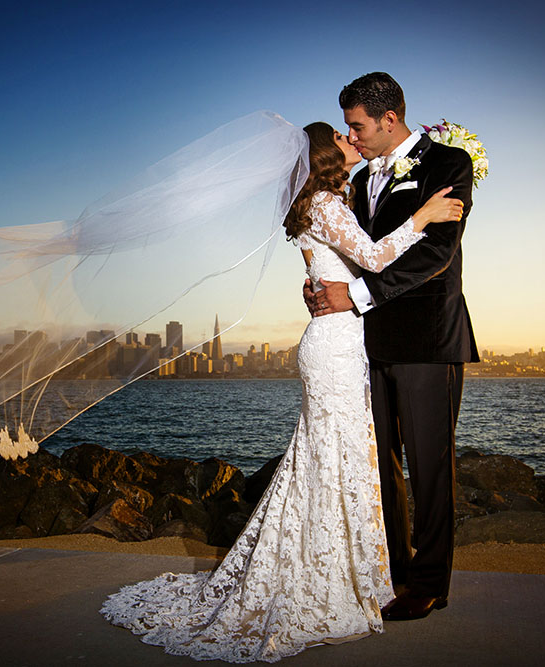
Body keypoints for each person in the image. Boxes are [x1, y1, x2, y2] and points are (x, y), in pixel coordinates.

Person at [99, 121, 463, 662]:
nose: (349, 138)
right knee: (337, 458)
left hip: (341, 341)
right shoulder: (327, 204)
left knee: (328, 459)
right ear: (323, 156)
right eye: (340, 136)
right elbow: (375, 258)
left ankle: (343, 568)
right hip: (337, 347)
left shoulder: (322, 203)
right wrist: (424, 216)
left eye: (353, 129)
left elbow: (340, 261)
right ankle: (332, 575)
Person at [307, 72, 479, 621]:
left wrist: (354, 295)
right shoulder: (358, 181)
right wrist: (321, 282)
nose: (352, 137)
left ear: (390, 118)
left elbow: (436, 254)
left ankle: (429, 584)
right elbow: (355, 247)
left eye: (358, 126)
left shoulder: (447, 163)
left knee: (430, 468)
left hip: (428, 337)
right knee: (379, 463)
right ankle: (394, 572)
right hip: (367, 343)